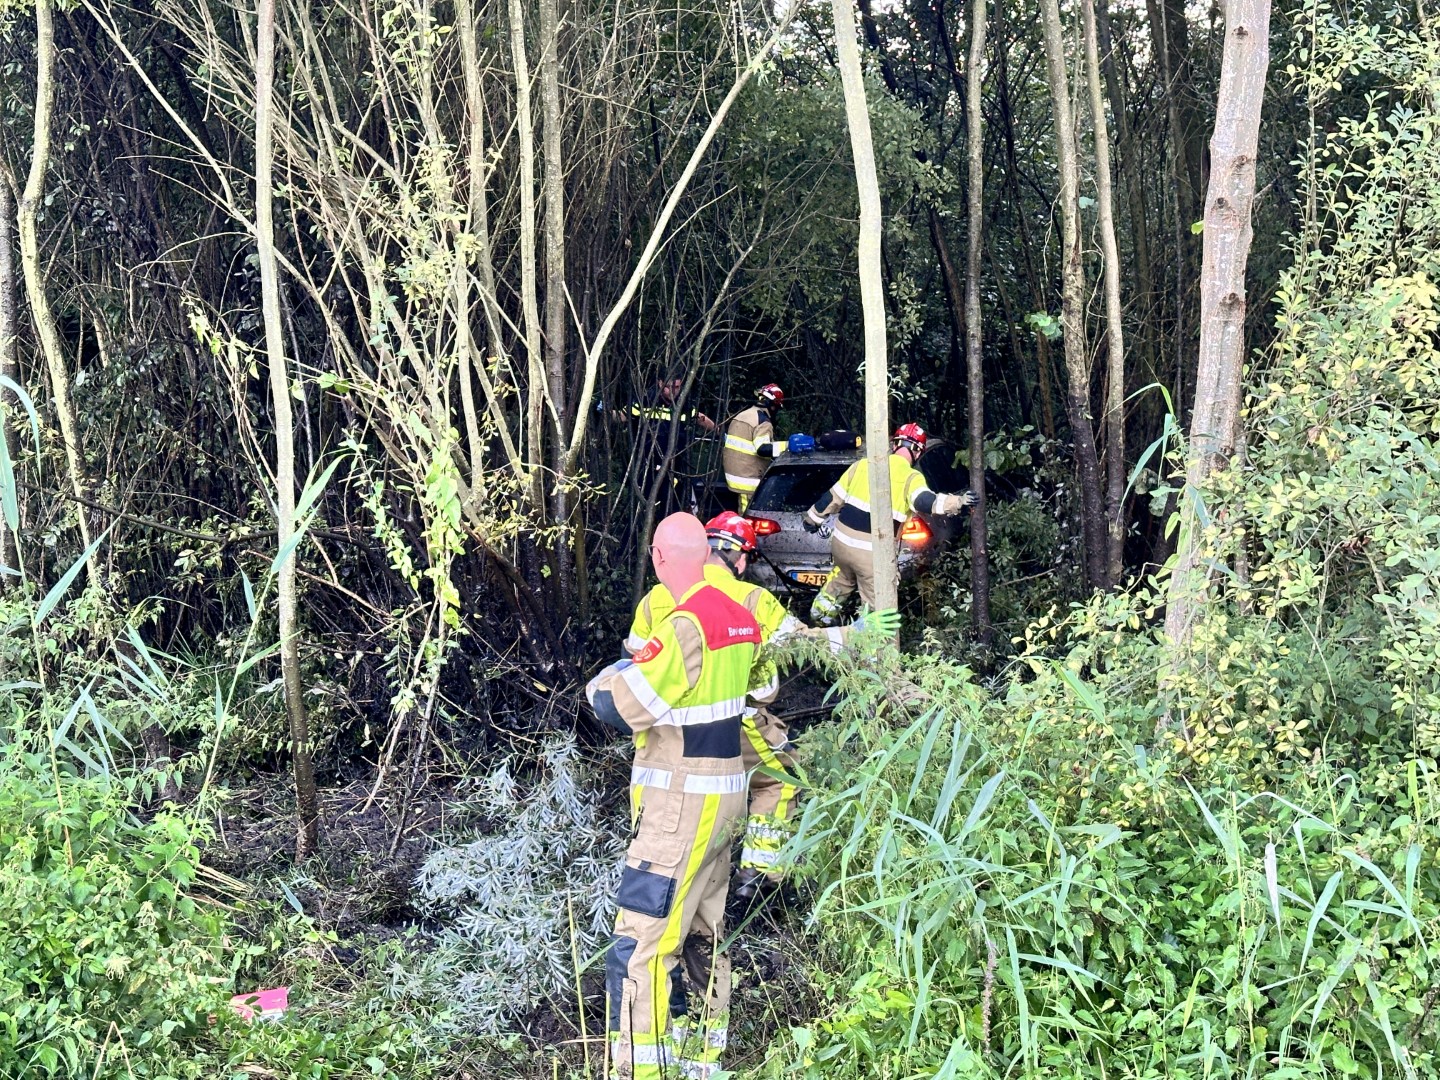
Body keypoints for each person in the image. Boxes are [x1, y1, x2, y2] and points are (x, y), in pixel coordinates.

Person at [624, 512, 899, 904]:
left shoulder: (656, 598)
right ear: (740, 560)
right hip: (733, 718)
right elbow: (803, 644)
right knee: (782, 777)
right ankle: (759, 879)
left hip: (664, 730)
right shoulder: (752, 599)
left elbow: (632, 658)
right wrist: (858, 633)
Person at [586, 513, 757, 1080]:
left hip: (678, 811)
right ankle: (703, 1060)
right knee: (706, 935)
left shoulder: (687, 623)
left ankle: (639, 1070)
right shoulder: (737, 615)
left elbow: (628, 704)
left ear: (661, 559)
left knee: (640, 945)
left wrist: (602, 683)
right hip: (725, 803)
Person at [803, 422, 976, 625]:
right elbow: (925, 501)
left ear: (894, 445)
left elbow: (831, 499)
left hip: (841, 544)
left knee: (841, 580)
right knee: (879, 612)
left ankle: (817, 624)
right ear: (918, 452)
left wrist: (811, 519)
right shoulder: (911, 477)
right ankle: (874, 651)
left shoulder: (862, 465)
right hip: (871, 554)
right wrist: (959, 502)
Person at [721, 383, 812, 512]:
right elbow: (762, 449)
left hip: (732, 476)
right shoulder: (762, 421)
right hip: (747, 481)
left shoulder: (742, 415)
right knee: (748, 516)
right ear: (773, 405)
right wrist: (788, 446)